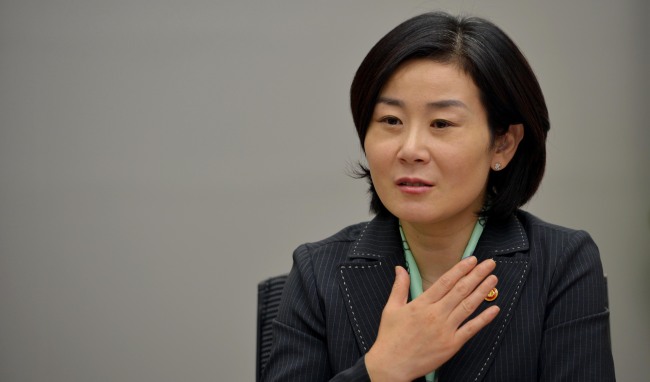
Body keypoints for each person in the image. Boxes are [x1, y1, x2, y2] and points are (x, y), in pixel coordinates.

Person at [261, 11, 615, 382]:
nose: (410, 149)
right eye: (391, 121)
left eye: (441, 124)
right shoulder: (318, 272)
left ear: (503, 144)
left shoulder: (562, 263)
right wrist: (380, 371)